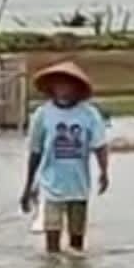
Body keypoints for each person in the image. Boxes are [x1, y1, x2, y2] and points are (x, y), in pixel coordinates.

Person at [20, 61, 109, 253]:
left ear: (76, 87)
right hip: (51, 186)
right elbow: (35, 152)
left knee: (77, 243)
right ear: (52, 87)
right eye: (59, 84)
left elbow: (100, 145)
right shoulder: (43, 114)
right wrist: (28, 187)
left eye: (68, 84)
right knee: (52, 242)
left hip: (79, 187)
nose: (63, 88)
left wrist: (104, 172)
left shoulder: (89, 114)